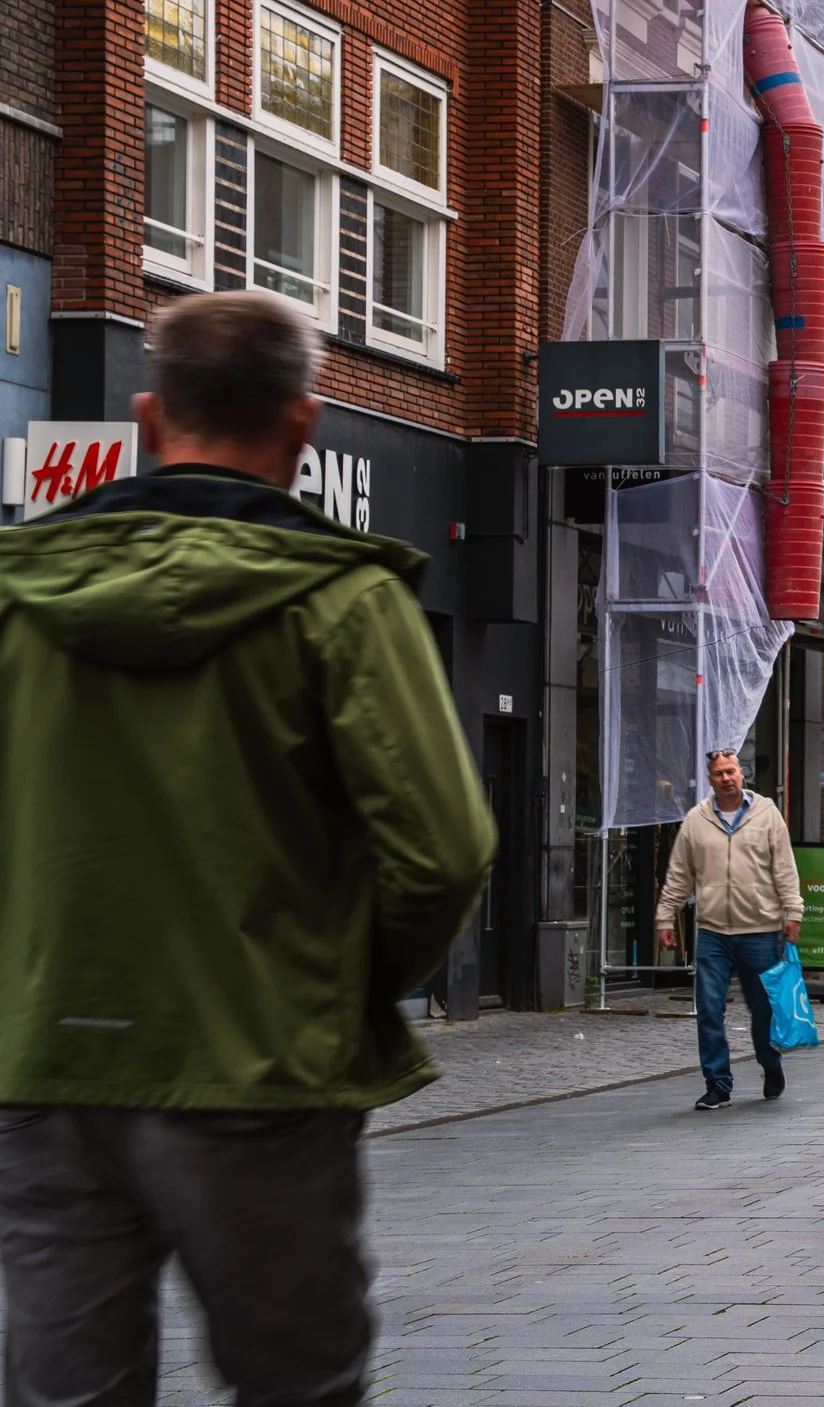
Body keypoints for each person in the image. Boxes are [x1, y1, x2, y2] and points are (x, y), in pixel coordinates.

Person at [0, 290, 496, 1402]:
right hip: (259, 1063)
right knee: (296, 1384)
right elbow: (447, 851)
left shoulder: (19, 597)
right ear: (303, 424)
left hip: (44, 1063)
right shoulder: (344, 602)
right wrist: (345, 984)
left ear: (145, 414)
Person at [656, 748, 804, 1110]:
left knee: (762, 1010)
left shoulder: (767, 814)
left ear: (742, 773)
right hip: (713, 932)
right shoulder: (696, 820)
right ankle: (718, 1083)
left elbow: (784, 867)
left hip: (761, 929)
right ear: (710, 780)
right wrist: (664, 915)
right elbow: (679, 874)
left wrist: (793, 911)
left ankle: (770, 1064)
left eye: (731, 771)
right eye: (719, 773)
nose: (726, 778)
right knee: (708, 1008)